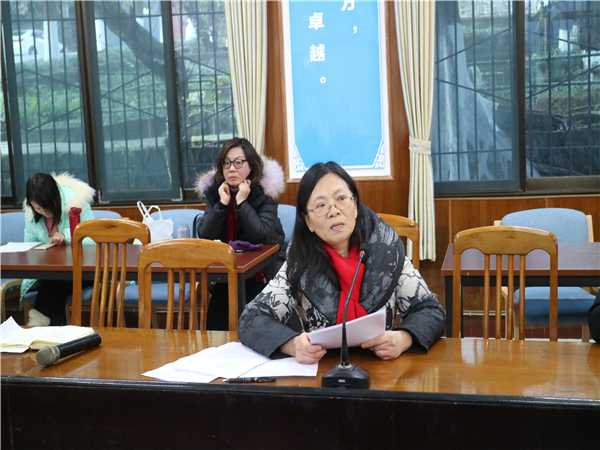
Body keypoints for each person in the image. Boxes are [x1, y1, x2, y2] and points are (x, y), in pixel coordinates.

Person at [238, 161, 445, 363]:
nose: (334, 211)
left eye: (342, 199)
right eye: (321, 205)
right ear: (308, 221)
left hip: (384, 368)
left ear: (355, 206)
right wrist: (292, 345)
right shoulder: (300, 262)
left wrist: (403, 338)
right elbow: (252, 318)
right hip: (323, 372)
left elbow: (431, 310)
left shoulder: (385, 251)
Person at [195, 137, 285, 329]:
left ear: (250, 166)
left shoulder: (265, 192)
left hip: (263, 270)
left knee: (253, 322)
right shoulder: (216, 191)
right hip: (229, 270)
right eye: (226, 163)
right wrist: (222, 204)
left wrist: (242, 202)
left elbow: (261, 234)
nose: (231, 169)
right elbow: (204, 234)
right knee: (217, 321)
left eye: (238, 162)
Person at [22, 172, 95, 326]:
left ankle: (37, 321)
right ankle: (56, 332)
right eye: (38, 208)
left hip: (82, 271)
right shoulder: (31, 214)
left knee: (56, 279)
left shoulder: (77, 204)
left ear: (56, 197)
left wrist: (66, 236)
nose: (44, 212)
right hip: (49, 274)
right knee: (57, 283)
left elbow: (93, 239)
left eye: (47, 207)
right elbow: (29, 247)